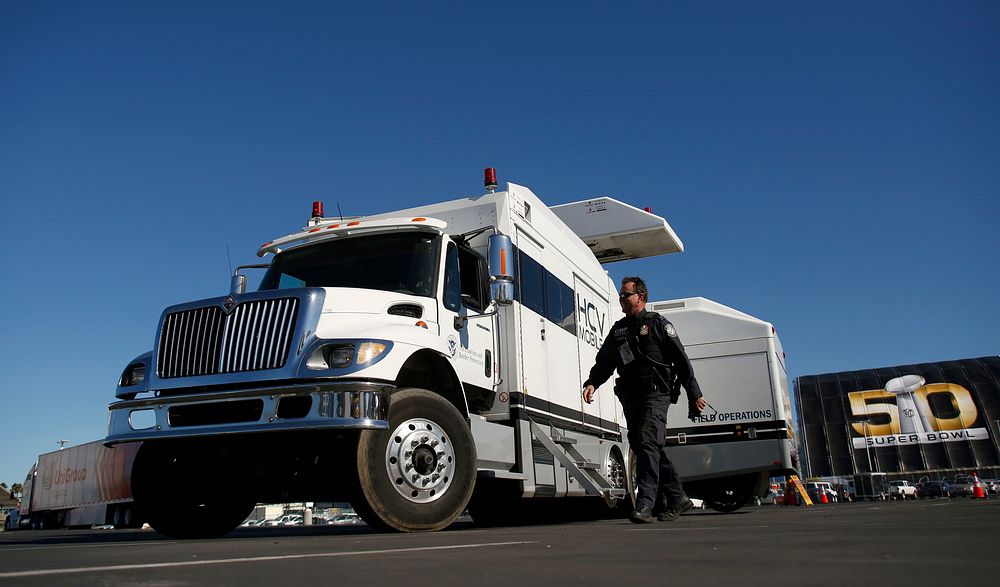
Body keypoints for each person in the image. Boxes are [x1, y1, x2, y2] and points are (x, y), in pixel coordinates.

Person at [583, 276, 706, 523]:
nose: (621, 298)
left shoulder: (659, 324)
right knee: (643, 445)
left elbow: (681, 361)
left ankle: (645, 503)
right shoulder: (618, 330)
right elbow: (605, 361)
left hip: (655, 393)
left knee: (647, 440)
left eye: (625, 295)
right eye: (620, 295)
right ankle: (677, 497)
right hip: (630, 396)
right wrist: (592, 382)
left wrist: (694, 394)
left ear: (640, 296)